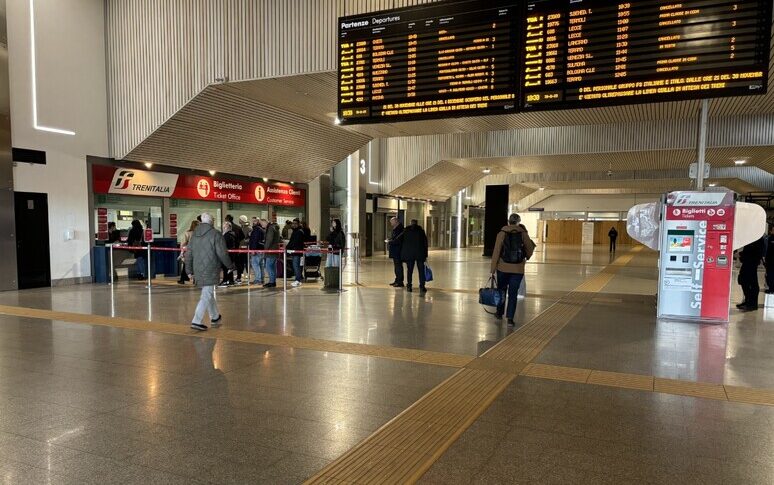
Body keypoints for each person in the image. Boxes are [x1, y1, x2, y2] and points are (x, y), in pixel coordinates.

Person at [185, 213, 233, 331]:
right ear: (211, 221)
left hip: (198, 268)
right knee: (206, 294)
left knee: (208, 291)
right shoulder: (216, 234)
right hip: (211, 268)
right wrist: (230, 266)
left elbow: (189, 253)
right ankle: (196, 320)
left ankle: (215, 316)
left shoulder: (194, 235)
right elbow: (222, 253)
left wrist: (189, 270)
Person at [491, 213, 536, 326]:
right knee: (513, 293)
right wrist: (525, 258)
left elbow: (496, 252)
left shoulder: (501, 233)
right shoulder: (523, 233)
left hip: (503, 268)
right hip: (517, 269)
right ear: (518, 222)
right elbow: (529, 249)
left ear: (508, 221)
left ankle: (499, 313)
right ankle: (510, 319)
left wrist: (492, 269)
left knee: (501, 291)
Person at [401, 219, 429, 293]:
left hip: (409, 254)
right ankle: (422, 286)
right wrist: (425, 255)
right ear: (417, 224)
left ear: (410, 223)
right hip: (420, 254)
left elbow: (400, 240)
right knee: (421, 270)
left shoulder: (406, 231)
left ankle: (409, 286)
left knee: (409, 270)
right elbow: (425, 243)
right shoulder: (421, 231)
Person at [738, 236, 765, 312]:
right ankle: (747, 301)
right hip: (746, 262)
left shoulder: (759, 238)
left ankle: (752, 304)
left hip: (752, 263)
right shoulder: (751, 237)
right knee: (743, 280)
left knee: (752, 283)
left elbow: (758, 252)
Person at [178, 220, 199, 284]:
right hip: (198, 251)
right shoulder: (200, 233)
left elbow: (183, 242)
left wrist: (182, 250)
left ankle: (183, 279)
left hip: (189, 251)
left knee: (186, 265)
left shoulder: (188, 233)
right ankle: (195, 279)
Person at [286, 219, 306, 287]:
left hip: (297, 252)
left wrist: (288, 248)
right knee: (298, 266)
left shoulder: (298, 232)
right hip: (297, 251)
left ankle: (297, 280)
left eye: (295, 223)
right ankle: (298, 279)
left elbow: (294, 242)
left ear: (298, 224)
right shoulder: (296, 231)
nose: (293, 225)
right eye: (293, 223)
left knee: (296, 266)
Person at [225, 215, 245, 283]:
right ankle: (238, 277)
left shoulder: (227, 227)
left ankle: (229, 279)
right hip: (236, 248)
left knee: (229, 263)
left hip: (229, 248)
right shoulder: (238, 227)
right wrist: (238, 241)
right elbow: (243, 236)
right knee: (237, 263)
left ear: (227, 219)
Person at [219, 222, 237, 287]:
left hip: (227, 254)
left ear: (228, 227)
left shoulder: (227, 235)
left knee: (226, 268)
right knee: (229, 267)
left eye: (224, 227)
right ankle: (230, 280)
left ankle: (226, 280)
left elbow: (224, 245)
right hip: (231, 254)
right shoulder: (232, 234)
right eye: (223, 227)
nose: (223, 228)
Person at [388, 217, 405, 287]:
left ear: (396, 221)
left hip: (398, 251)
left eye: (392, 222)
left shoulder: (400, 229)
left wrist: (390, 242)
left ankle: (400, 281)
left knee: (398, 266)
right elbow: (395, 238)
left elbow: (398, 240)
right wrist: (390, 240)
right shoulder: (396, 229)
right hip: (395, 251)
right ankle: (397, 280)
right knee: (396, 266)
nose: (391, 224)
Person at [263, 219, 280, 288]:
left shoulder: (270, 228)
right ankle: (272, 281)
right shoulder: (275, 227)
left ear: (265, 222)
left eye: (262, 224)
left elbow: (269, 239)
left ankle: (272, 282)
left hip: (271, 250)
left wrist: (265, 249)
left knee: (268, 266)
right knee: (273, 267)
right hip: (275, 249)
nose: (262, 226)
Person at [249, 217, 266, 285]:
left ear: (258, 222)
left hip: (256, 250)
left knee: (255, 264)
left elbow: (255, 241)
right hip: (261, 249)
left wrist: (253, 250)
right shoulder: (261, 229)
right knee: (261, 265)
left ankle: (258, 279)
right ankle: (261, 279)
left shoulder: (256, 230)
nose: (253, 222)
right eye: (253, 221)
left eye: (255, 221)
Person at [766, 227, 774, 294]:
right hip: (769, 261)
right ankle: (771, 288)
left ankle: (772, 288)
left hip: (772, 261)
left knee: (771, 275)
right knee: (769, 275)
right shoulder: (769, 238)